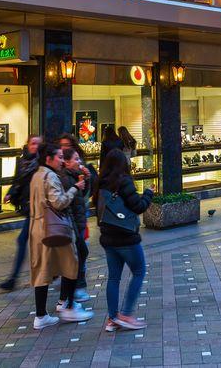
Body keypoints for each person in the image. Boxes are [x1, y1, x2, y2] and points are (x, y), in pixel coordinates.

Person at [29, 142, 90, 329]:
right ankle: (68, 306)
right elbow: (59, 202)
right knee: (71, 264)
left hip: (37, 227)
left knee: (42, 271)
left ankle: (42, 315)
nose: (61, 160)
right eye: (59, 157)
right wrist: (75, 188)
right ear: (49, 158)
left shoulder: (37, 175)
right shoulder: (50, 176)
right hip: (53, 228)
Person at [97, 149, 154, 331]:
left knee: (113, 278)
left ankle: (113, 318)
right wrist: (148, 194)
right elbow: (138, 207)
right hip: (126, 237)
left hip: (108, 237)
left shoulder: (100, 183)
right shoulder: (124, 181)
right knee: (139, 271)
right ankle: (126, 314)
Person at [0, 135, 41, 291]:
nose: (35, 146)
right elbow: (17, 181)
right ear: (28, 144)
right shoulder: (22, 161)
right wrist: (10, 193)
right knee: (35, 242)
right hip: (28, 205)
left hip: (38, 207)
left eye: (38, 144)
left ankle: (13, 279)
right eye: (33, 143)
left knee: (23, 240)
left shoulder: (42, 163)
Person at [58, 145, 92, 308]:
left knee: (78, 256)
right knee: (74, 259)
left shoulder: (74, 177)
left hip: (78, 222)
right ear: (66, 161)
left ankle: (67, 299)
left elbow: (83, 197)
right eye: (76, 159)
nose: (79, 161)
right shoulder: (65, 179)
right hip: (72, 224)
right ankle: (67, 300)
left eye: (79, 158)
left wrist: (86, 179)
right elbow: (66, 202)